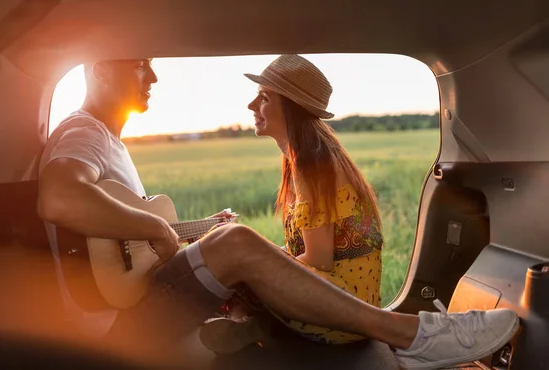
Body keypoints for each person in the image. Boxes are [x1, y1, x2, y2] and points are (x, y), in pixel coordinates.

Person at [37, 57, 520, 370]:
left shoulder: (109, 143)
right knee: (241, 242)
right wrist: (156, 227)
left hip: (133, 302)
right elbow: (59, 198)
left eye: (264, 96)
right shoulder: (84, 132)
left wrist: (176, 234)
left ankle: (261, 324)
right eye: (140, 64)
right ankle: (412, 334)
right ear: (100, 69)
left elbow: (130, 239)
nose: (155, 76)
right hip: (116, 324)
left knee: (239, 242)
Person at [199, 53, 385, 352]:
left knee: (238, 270)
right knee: (241, 259)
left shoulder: (312, 166)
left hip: (342, 315)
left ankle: (244, 321)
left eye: (264, 97)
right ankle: (248, 322)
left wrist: (258, 262)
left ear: (291, 106)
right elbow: (307, 254)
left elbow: (318, 260)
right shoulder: (308, 158)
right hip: (347, 304)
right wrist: (262, 255)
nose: (251, 106)